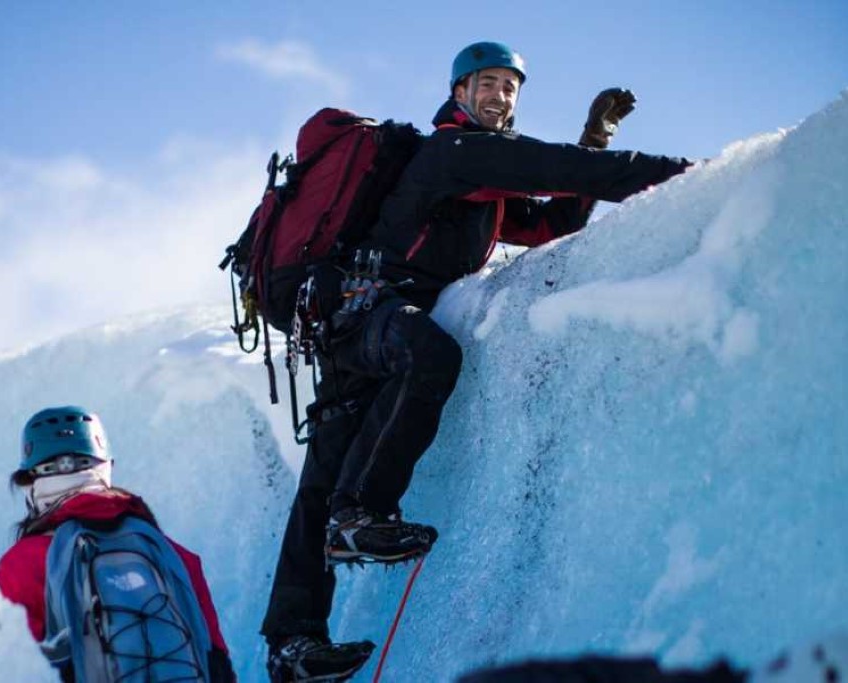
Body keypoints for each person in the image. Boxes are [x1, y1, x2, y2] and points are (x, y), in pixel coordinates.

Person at [262, 40, 694, 682]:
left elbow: (549, 225)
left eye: (510, 87)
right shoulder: (455, 151)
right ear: (459, 92)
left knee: (323, 475)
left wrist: (594, 138)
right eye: (486, 84)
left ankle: (294, 640)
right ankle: (357, 519)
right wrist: (696, 172)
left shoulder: (482, 176)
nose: (500, 96)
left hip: (355, 321)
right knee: (426, 357)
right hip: (364, 313)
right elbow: (566, 170)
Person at [0, 405, 235, 682]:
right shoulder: (173, 553)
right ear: (105, 467)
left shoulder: (22, 564)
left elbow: (9, 669)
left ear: (31, 483)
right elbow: (217, 662)